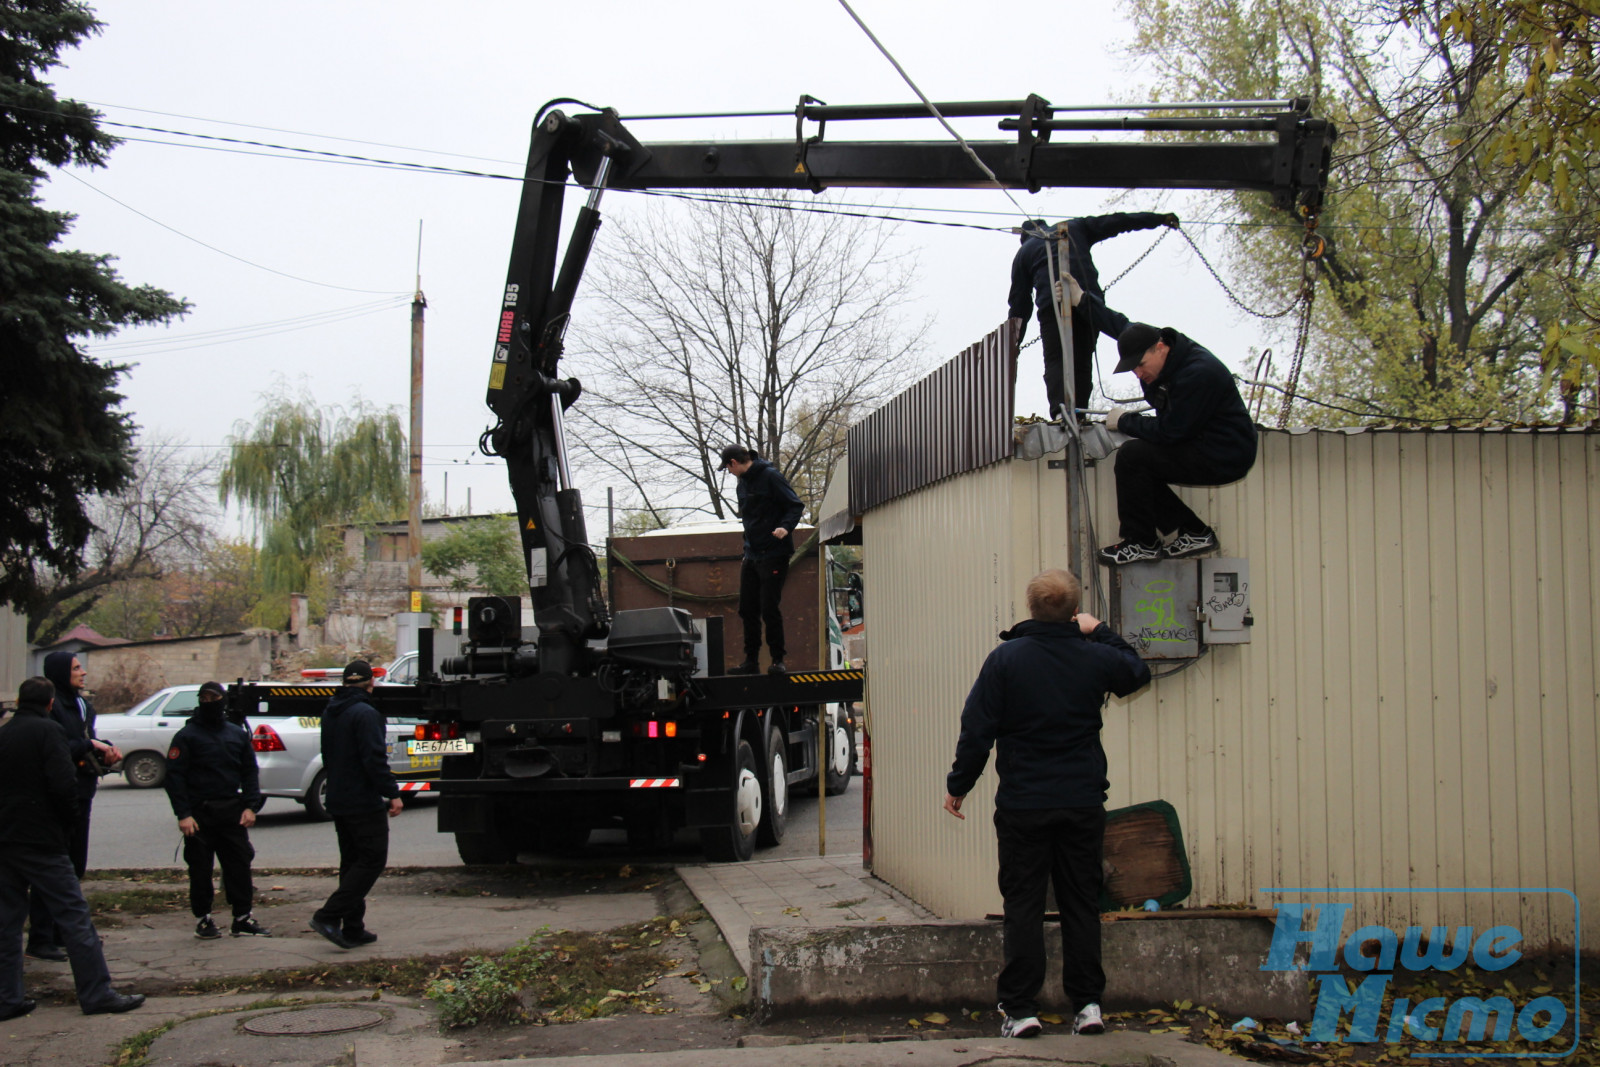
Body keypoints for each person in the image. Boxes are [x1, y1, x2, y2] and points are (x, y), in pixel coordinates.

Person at [943, 570, 1150, 1039]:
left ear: (1031, 608)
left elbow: (978, 730)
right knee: (1081, 902)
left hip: (1024, 805)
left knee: (1024, 903)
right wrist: (1099, 631)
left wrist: (960, 784)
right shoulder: (1094, 656)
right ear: (1073, 611)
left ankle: (1020, 1010)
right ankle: (1089, 1004)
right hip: (1081, 802)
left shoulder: (1005, 660)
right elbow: (1136, 671)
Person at [0, 678, 145, 1018]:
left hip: (6, 839)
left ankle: (7, 998)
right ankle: (97, 993)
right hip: (42, 840)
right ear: (50, 703)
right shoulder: (49, 733)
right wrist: (67, 825)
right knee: (74, 916)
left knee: (7, 923)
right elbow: (64, 785)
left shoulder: (4, 734)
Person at [1079, 298, 1258, 565]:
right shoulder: (1158, 346)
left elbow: (1170, 432)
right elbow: (1121, 326)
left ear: (1160, 348)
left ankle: (1142, 543)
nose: (1139, 374)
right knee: (1142, 467)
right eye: (1133, 369)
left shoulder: (1197, 374)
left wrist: (1126, 421)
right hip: (1206, 442)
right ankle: (1194, 532)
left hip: (1226, 453)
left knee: (1134, 457)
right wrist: (1082, 300)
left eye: (1140, 365)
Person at [1007, 212, 1177, 417]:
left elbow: (1020, 305)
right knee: (1082, 359)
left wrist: (1013, 342)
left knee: (1056, 361)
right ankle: (1079, 413)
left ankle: (1061, 413)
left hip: (1053, 307)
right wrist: (1158, 219)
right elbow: (1117, 222)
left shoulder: (1024, 252)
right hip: (1088, 303)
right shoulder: (1075, 226)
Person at [24, 652, 119, 963]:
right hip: (60, 797)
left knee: (75, 865)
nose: (83, 673)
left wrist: (102, 747)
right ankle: (41, 936)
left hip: (81, 791)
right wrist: (91, 746)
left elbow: (82, 738)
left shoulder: (81, 704)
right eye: (76, 668)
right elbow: (59, 745)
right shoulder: (52, 707)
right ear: (59, 673)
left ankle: (60, 932)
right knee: (55, 868)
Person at [165, 681, 270, 940]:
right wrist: (183, 814)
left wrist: (251, 806)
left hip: (231, 812)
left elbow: (249, 772)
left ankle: (243, 918)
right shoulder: (186, 736)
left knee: (239, 865)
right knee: (200, 870)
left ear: (223, 700)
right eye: (205, 697)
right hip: (199, 815)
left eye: (214, 697)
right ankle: (203, 919)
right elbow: (175, 778)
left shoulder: (235, 734)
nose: (209, 702)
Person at [310, 660, 401, 949]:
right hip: (362, 800)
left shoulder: (331, 710)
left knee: (351, 863)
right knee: (372, 859)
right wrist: (391, 792)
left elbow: (328, 753)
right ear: (371, 682)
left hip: (338, 797)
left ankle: (353, 927)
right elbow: (374, 759)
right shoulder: (366, 713)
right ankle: (328, 916)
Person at [717, 444, 804, 676]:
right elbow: (750, 519)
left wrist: (785, 528)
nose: (729, 472)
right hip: (752, 555)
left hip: (775, 554)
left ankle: (778, 661)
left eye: (727, 468)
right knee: (747, 609)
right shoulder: (742, 484)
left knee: (768, 608)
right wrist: (747, 548)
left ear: (733, 463)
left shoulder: (771, 477)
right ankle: (751, 661)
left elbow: (795, 506)